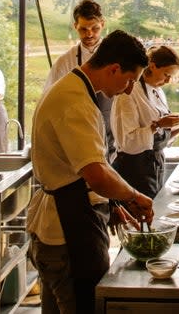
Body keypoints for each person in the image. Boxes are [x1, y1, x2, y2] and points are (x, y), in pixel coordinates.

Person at [27, 30, 153, 314]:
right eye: (130, 80)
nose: (130, 89)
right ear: (114, 69)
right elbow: (96, 174)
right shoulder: (75, 102)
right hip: (66, 231)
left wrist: (112, 203)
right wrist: (134, 196)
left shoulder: (74, 89)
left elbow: (85, 166)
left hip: (68, 219)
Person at [110, 45, 179, 197]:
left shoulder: (158, 91)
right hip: (134, 169)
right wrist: (159, 124)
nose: (168, 81)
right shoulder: (128, 93)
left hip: (155, 166)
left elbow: (158, 139)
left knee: (157, 210)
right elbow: (127, 141)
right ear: (152, 66)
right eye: (166, 74)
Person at [43, 0, 116, 160]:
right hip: (76, 133)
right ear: (75, 26)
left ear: (102, 24)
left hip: (112, 133)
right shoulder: (64, 62)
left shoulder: (116, 58)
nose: (89, 34)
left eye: (94, 28)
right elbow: (48, 100)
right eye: (83, 29)